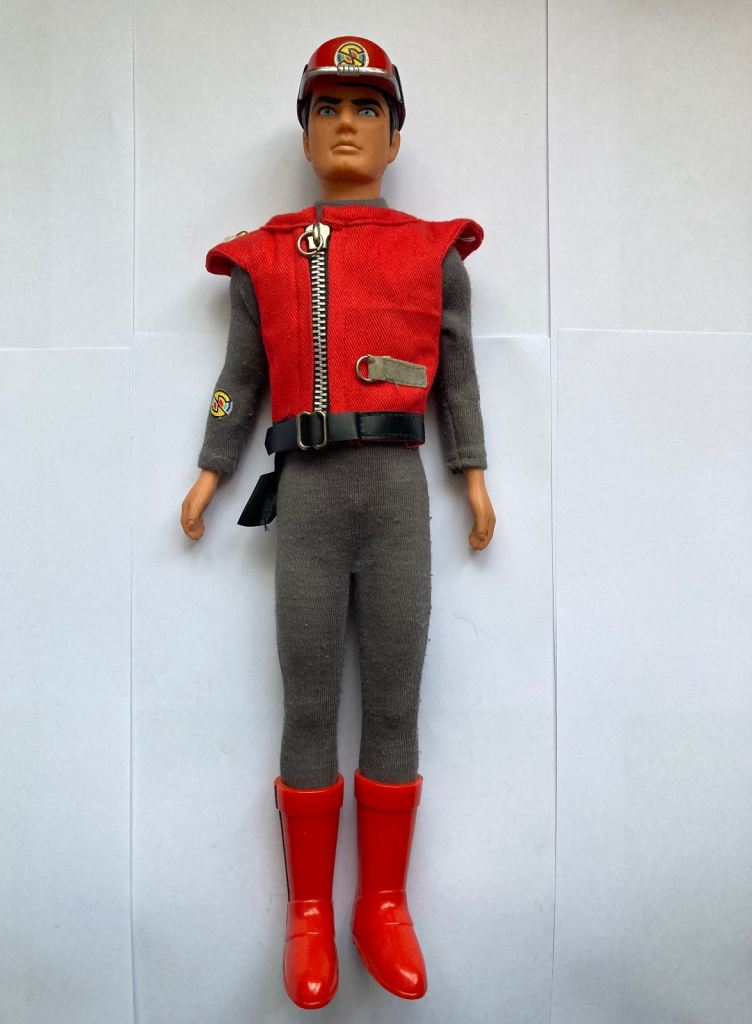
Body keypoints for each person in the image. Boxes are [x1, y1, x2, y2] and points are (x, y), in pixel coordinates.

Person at [180, 35, 495, 1010]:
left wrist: (474, 475)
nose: (347, 125)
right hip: (308, 498)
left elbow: (458, 378)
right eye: (327, 108)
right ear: (306, 131)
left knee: (395, 700)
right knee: (308, 701)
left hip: (397, 496)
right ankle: (309, 911)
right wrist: (210, 469)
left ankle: (383, 904)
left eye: (367, 109)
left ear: (395, 137)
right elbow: (237, 382)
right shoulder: (266, 256)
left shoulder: (432, 253)